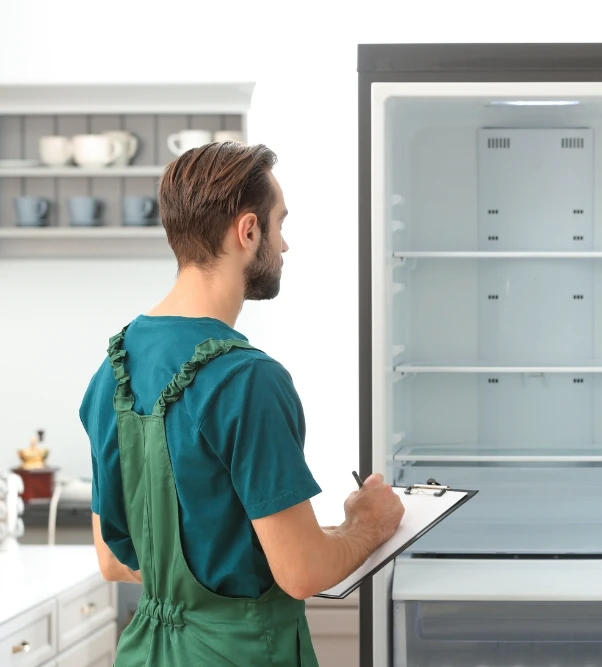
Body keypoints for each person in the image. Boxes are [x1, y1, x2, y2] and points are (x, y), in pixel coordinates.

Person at [79, 142, 404, 666]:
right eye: (280, 224)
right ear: (248, 231)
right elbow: (302, 572)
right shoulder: (247, 379)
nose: (286, 244)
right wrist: (368, 522)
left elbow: (115, 561)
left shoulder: (112, 369)